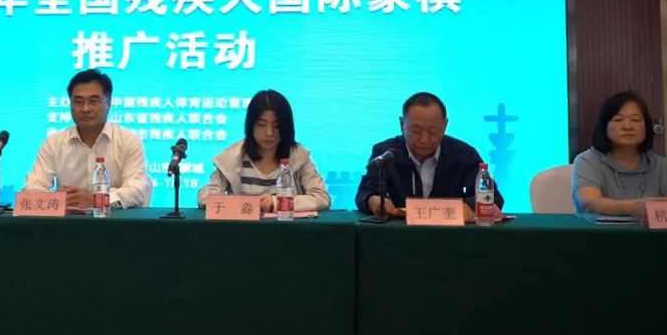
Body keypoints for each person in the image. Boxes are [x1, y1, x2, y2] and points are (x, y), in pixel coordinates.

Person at [355, 92, 503, 220]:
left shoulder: (463, 154)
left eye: (433, 132)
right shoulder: (385, 153)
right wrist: (372, 200)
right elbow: (365, 192)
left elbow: (493, 198)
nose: (424, 140)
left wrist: (467, 205)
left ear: (445, 126)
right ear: (402, 124)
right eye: (416, 131)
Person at [23, 69, 152, 209]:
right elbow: (31, 188)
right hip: (67, 222)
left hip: (113, 221)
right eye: (78, 102)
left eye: (93, 101)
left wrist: (96, 200)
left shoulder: (128, 140)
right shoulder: (54, 143)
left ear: (109, 103)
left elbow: (137, 190)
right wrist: (56, 199)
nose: (85, 109)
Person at [198, 89, 330, 212]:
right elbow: (204, 198)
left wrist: (277, 203)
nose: (269, 133)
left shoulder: (298, 157)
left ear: (286, 127)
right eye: (261, 124)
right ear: (251, 125)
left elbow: (322, 198)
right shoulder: (232, 158)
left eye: (276, 126)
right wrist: (242, 203)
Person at [572, 90, 667, 215]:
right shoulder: (587, 161)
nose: (628, 126)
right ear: (604, 126)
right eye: (618, 120)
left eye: (636, 120)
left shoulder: (661, 166)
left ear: (646, 126)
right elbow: (589, 203)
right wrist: (637, 208)